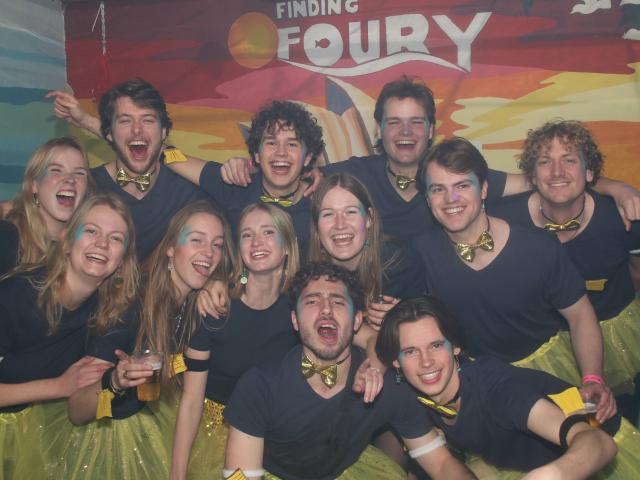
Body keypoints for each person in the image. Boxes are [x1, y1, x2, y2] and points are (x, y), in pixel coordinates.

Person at [221, 76, 640, 242]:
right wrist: (244, 166)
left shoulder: (454, 176)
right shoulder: (352, 174)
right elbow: (287, 173)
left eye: (415, 122)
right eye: (394, 122)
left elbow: (548, 180)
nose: (405, 132)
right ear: (379, 131)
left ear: (431, 130)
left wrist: (612, 186)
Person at [413, 137, 615, 421]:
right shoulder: (420, 253)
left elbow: (580, 314)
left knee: (585, 438)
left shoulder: (538, 246)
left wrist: (592, 377)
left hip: (549, 372)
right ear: (427, 198)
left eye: (462, 186)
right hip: (481, 382)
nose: (451, 199)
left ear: (484, 189)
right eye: (438, 189)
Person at [222, 262, 475, 480]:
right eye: (312, 301)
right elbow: (240, 476)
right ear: (295, 321)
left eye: (338, 301)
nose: (326, 309)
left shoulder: (388, 384)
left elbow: (441, 464)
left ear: (357, 321)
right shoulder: (260, 385)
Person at [58, 200, 234, 479]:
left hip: (157, 423)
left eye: (217, 245)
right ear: (170, 247)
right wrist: (114, 382)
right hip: (111, 441)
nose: (209, 253)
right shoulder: (131, 307)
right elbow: (76, 410)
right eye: (197, 240)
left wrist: (220, 280)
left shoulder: (195, 303)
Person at [376, 295, 640, 479]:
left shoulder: (496, 389)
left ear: (455, 347)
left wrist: (550, 475)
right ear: (396, 362)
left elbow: (598, 442)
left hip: (592, 453)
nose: (426, 362)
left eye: (436, 345)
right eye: (410, 351)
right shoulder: (408, 396)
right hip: (531, 461)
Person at [491, 120, 640, 395]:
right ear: (531, 176)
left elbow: (637, 273)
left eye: (569, 160)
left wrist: (619, 187)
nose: (557, 172)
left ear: (589, 171)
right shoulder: (504, 222)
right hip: (546, 345)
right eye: (545, 161)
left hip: (614, 332)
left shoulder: (621, 218)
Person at [0, 192, 137, 480]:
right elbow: (64, 387)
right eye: (91, 231)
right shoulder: (16, 295)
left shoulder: (108, 311)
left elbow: (79, 410)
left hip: (33, 430)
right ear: (65, 241)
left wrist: (114, 382)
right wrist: (58, 386)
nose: (102, 244)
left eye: (115, 238)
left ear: (122, 260)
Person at [170, 203, 301, 480]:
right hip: (212, 430)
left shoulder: (300, 307)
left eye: (268, 232)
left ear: (288, 245)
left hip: (273, 431)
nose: (257, 242)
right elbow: (191, 400)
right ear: (239, 249)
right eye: (247, 234)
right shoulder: (215, 307)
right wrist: (177, 475)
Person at [47, 79, 212, 260]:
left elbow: (227, 189)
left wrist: (87, 121)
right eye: (125, 121)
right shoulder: (88, 185)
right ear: (109, 134)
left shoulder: (186, 188)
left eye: (147, 120)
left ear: (164, 132)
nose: (137, 130)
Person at [164, 100, 324, 256]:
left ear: (307, 157)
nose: (281, 152)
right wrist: (164, 150)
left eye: (292, 144)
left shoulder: (323, 199)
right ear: (257, 154)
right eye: (271, 143)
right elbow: (174, 159)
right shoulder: (236, 186)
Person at [309, 172, 425, 328]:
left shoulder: (401, 264)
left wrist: (405, 319)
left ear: (369, 218)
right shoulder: (306, 272)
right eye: (328, 214)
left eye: (350, 212)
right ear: (316, 225)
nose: (340, 224)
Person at [0, 137, 93, 275]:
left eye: (79, 173)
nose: (70, 179)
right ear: (34, 185)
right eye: (56, 170)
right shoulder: (6, 237)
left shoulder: (88, 250)